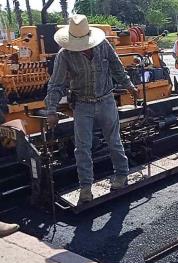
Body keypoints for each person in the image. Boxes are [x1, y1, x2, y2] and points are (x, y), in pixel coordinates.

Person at [45, 14, 138, 204]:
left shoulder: (103, 46)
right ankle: (85, 188)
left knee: (114, 141)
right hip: (82, 104)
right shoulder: (64, 55)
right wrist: (52, 110)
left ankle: (122, 175)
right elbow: (56, 84)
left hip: (106, 101)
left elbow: (116, 67)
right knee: (82, 148)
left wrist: (129, 85)